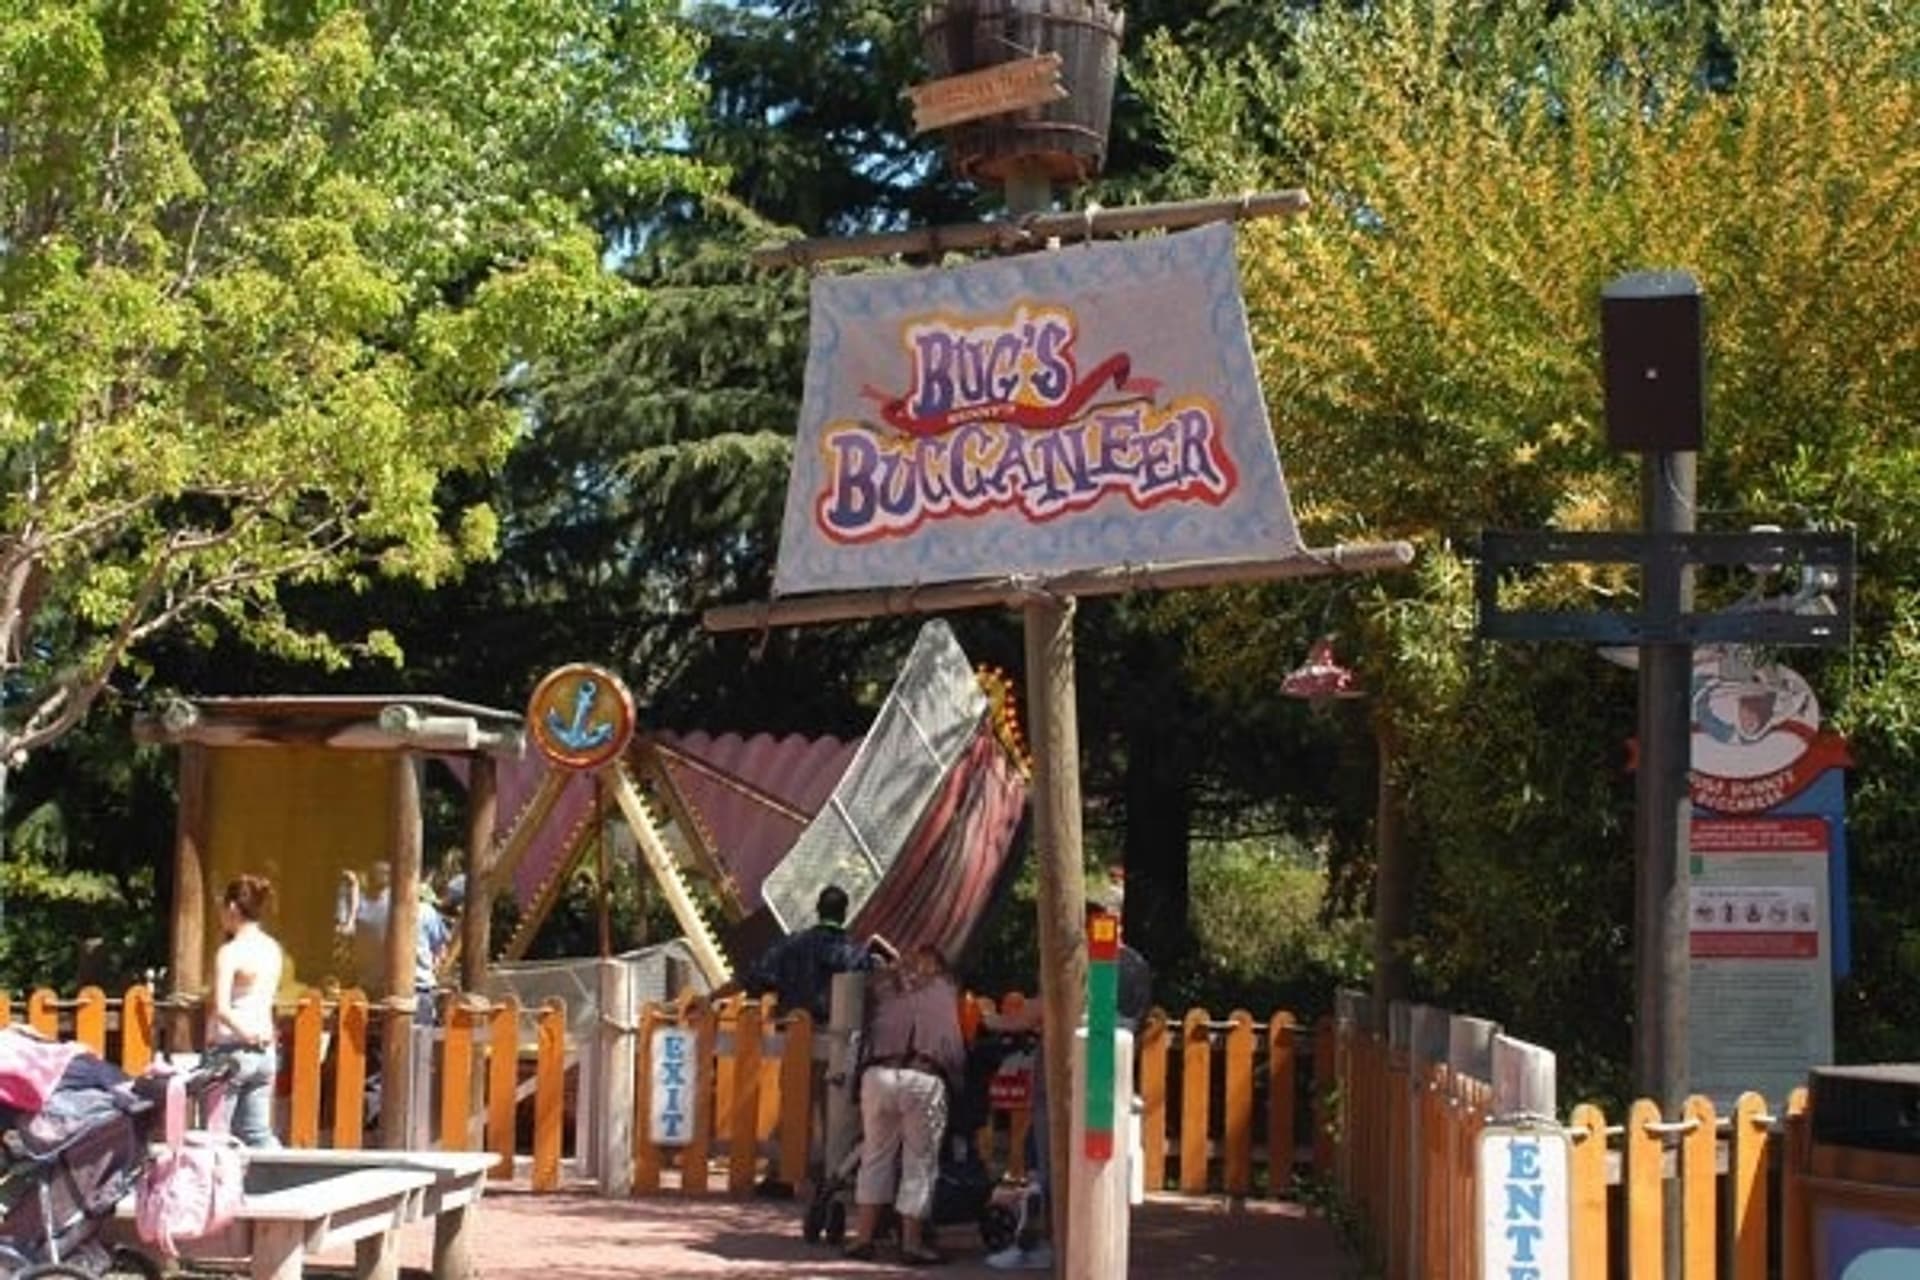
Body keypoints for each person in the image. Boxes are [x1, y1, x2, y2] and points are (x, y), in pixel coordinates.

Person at [986, 898, 1153, 1271]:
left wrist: (991, 1020)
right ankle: (1092, 1245)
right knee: (1101, 1162)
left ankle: (1052, 1243)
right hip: (1112, 1073)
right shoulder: (1137, 966)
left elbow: (1040, 1010)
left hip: (1068, 1070)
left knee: (1050, 1159)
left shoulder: (1078, 964)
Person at [843, 944, 965, 1266]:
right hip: (924, 1075)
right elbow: (952, 1044)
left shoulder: (884, 984)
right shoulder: (944, 987)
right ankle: (911, 1242)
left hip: (878, 1073)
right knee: (919, 1161)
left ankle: (863, 1238)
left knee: (874, 1155)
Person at [726, 884, 880, 1024]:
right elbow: (882, 979)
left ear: (818, 908)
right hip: (832, 1044)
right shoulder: (852, 957)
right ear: (843, 915)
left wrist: (713, 997)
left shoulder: (792, 944)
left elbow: (753, 977)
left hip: (786, 1035)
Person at [207, 874, 284, 1149]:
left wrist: (244, 1034)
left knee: (215, 1133)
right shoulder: (272, 949)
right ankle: (283, 1180)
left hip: (232, 1048)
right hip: (265, 1049)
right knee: (257, 1133)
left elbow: (223, 1009)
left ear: (232, 908)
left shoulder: (230, 952)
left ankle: (214, 1188)